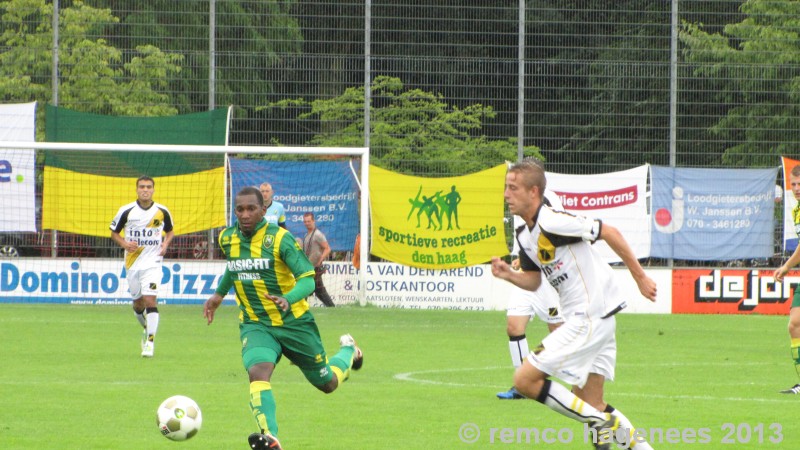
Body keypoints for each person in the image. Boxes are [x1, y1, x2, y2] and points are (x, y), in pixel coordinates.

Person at [491, 160, 657, 450]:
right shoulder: (524, 235)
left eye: (513, 188)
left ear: (533, 192)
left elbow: (610, 232)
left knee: (524, 379)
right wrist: (509, 275)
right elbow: (533, 281)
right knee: (591, 402)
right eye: (506, 187)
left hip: (589, 317)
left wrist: (640, 277)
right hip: (599, 319)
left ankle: (598, 421)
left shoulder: (552, 221)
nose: (506, 194)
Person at [203, 187, 363, 450]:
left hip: (294, 323)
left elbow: (308, 279)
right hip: (256, 323)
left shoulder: (280, 239)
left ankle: (348, 351)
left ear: (263, 210)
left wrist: (288, 298)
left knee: (327, 383)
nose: (244, 214)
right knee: (258, 371)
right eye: (239, 209)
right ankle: (270, 437)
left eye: (250, 209)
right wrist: (219, 294)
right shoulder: (227, 238)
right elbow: (234, 265)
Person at [110, 175, 174, 358]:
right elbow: (113, 233)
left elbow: (170, 232)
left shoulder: (162, 211)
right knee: (138, 305)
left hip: (153, 263)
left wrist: (165, 244)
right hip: (132, 264)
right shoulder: (126, 211)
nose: (145, 190)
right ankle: (146, 327)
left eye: (148, 187)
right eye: (142, 187)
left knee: (150, 300)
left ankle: (150, 343)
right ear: (137, 190)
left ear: (153, 190)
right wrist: (125, 244)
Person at [774, 164, 800, 394]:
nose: (797, 188)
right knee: (794, 325)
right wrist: (786, 267)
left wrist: (785, 266)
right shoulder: (796, 211)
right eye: (793, 184)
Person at [301, 212, 335, 307]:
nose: (307, 223)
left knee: (306, 289)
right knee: (319, 291)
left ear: (314, 221)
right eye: (305, 221)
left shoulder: (318, 234)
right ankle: (332, 307)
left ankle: (301, 308)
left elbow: (328, 248)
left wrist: (320, 260)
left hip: (314, 268)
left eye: (309, 221)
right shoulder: (306, 235)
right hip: (308, 267)